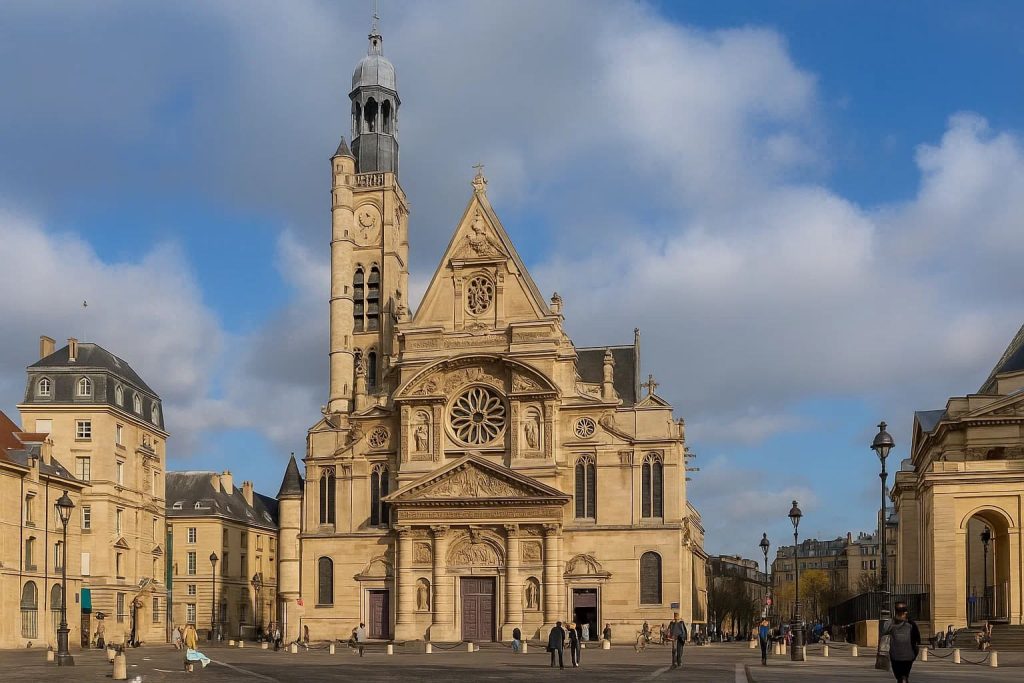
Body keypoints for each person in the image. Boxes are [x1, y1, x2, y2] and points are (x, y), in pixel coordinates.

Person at [884, 602, 921, 683]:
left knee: (899, 676)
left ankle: (903, 680)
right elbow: (918, 639)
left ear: (895, 611)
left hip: (895, 655)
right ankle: (904, 679)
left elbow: (884, 631)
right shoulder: (911, 624)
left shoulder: (890, 623)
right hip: (909, 656)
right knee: (905, 675)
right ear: (905, 612)